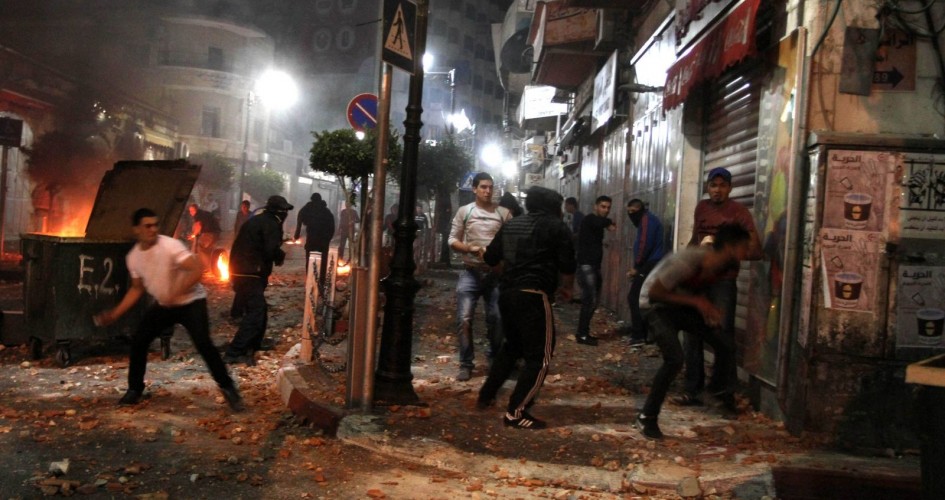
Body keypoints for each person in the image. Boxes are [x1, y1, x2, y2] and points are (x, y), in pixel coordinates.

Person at [93, 208, 244, 412]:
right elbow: (137, 289)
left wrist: (176, 291)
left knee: (203, 344)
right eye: (147, 226)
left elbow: (196, 270)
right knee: (139, 341)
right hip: (165, 306)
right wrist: (115, 313)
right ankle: (134, 389)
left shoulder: (170, 246)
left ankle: (228, 388)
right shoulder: (134, 257)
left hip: (191, 302)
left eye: (155, 225)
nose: (153, 229)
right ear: (137, 229)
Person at [635, 223, 751, 439]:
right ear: (730, 247)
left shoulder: (719, 267)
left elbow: (695, 293)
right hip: (654, 306)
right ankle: (647, 416)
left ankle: (714, 392)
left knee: (724, 342)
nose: (746, 255)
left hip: (678, 307)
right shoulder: (690, 259)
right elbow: (655, 292)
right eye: (744, 248)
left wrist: (707, 311)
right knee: (674, 359)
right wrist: (697, 303)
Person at [477, 186, 575, 429]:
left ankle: (486, 395)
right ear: (553, 206)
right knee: (540, 355)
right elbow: (568, 264)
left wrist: (509, 272)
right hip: (534, 295)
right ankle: (516, 412)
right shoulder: (556, 227)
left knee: (512, 348)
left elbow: (490, 258)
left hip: (507, 294)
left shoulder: (512, 224)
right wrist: (566, 288)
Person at [677, 167, 762, 406]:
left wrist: (725, 250)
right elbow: (695, 239)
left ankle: (724, 393)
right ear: (707, 187)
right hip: (699, 279)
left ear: (730, 188)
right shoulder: (701, 208)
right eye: (713, 185)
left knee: (723, 335)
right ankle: (693, 390)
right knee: (692, 333)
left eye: (722, 185)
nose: (717, 190)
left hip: (723, 281)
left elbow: (755, 250)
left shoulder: (739, 213)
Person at [448, 172, 512, 381]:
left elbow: (511, 244)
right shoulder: (465, 211)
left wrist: (502, 263)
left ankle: (494, 357)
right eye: (483, 187)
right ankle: (466, 363)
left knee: (497, 318)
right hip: (471, 272)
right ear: (474, 189)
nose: (487, 191)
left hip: (495, 274)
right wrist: (469, 248)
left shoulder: (503, 214)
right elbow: (452, 240)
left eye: (490, 187)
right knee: (464, 318)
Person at [224, 195, 293, 365]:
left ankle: (254, 343)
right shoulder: (271, 223)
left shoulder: (257, 220)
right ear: (279, 211)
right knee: (256, 311)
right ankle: (234, 351)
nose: (285, 214)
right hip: (251, 272)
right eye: (284, 211)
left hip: (241, 270)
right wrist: (279, 255)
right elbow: (270, 249)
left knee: (258, 309)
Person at [574, 195, 616, 346]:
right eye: (603, 207)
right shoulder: (590, 219)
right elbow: (599, 222)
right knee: (590, 300)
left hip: (593, 266)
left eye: (608, 207)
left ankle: (583, 332)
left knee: (593, 300)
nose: (606, 210)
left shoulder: (595, 222)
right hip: (587, 266)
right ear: (595, 207)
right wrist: (609, 223)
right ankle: (582, 334)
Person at [625, 199, 665, 346]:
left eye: (633, 212)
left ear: (640, 210)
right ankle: (646, 334)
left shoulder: (647, 221)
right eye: (629, 212)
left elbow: (644, 245)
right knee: (644, 298)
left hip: (650, 263)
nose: (631, 215)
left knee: (634, 297)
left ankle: (638, 335)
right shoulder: (647, 220)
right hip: (650, 263)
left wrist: (637, 267)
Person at [294, 193, 336, 284]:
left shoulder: (306, 209)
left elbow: (299, 221)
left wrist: (296, 234)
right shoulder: (326, 211)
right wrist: (328, 239)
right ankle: (321, 280)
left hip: (312, 240)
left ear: (312, 199)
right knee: (323, 260)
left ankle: (310, 279)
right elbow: (332, 227)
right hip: (323, 241)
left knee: (310, 259)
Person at [188, 203, 222, 270]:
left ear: (196, 209)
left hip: (209, 233)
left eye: (192, 210)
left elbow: (198, 226)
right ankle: (211, 266)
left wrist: (193, 235)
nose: (190, 213)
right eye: (190, 211)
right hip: (216, 232)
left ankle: (206, 267)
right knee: (208, 249)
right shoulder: (204, 213)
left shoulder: (198, 215)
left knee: (201, 248)